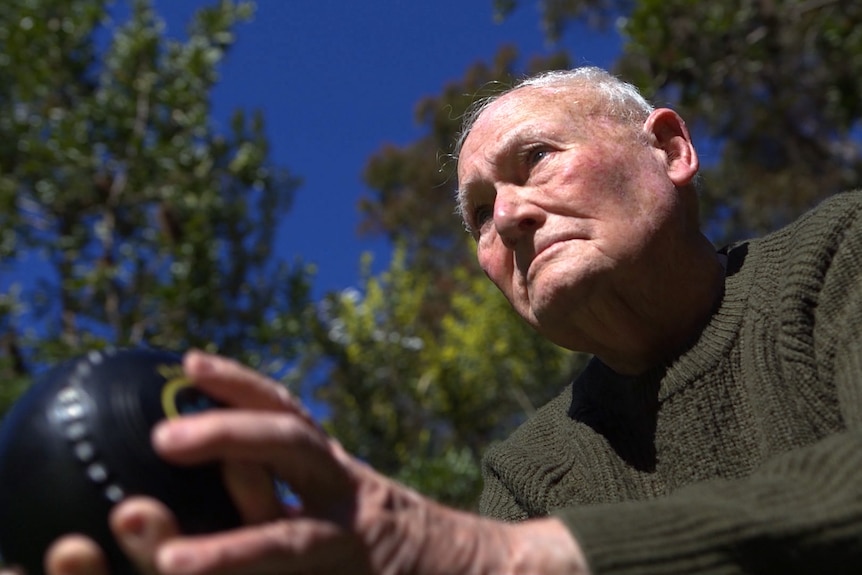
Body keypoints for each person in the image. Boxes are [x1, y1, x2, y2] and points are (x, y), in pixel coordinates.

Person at [22, 66, 862, 574]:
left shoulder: (837, 256)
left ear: (671, 149)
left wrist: (491, 559)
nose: (513, 217)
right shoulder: (532, 471)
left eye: (536, 160)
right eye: (481, 214)